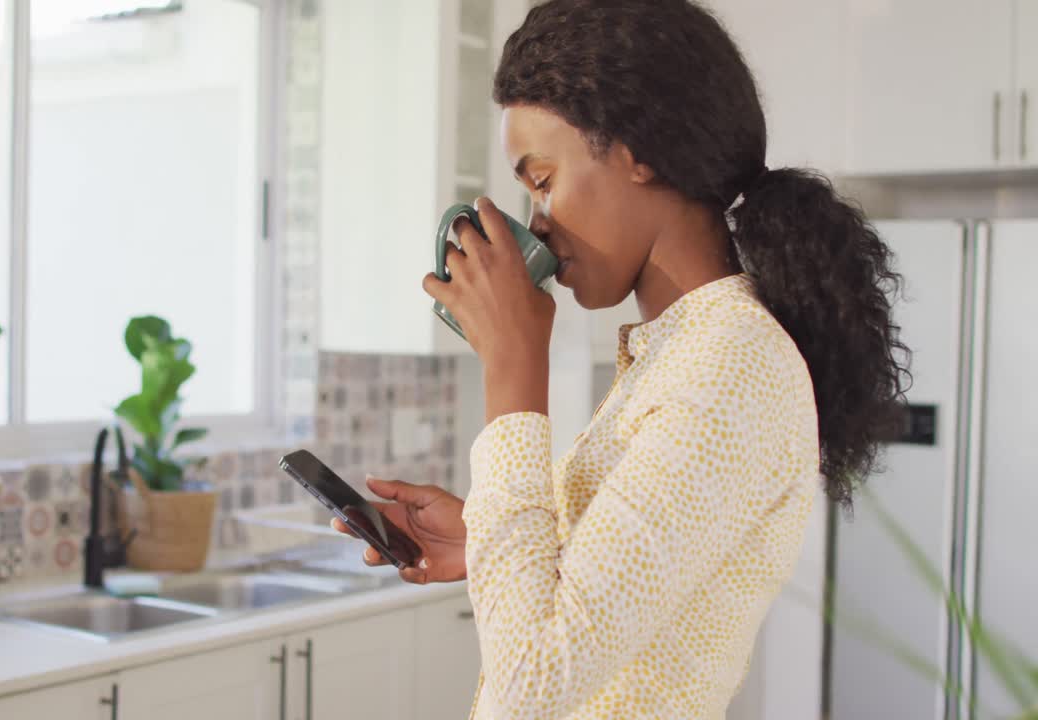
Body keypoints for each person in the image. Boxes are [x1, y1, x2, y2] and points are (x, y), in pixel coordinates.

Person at [332, 1, 909, 717]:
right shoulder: (687, 352)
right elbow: (609, 593)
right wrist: (489, 537)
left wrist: (514, 370)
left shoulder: (732, 367)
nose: (537, 221)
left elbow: (531, 686)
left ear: (640, 150)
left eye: (543, 180)